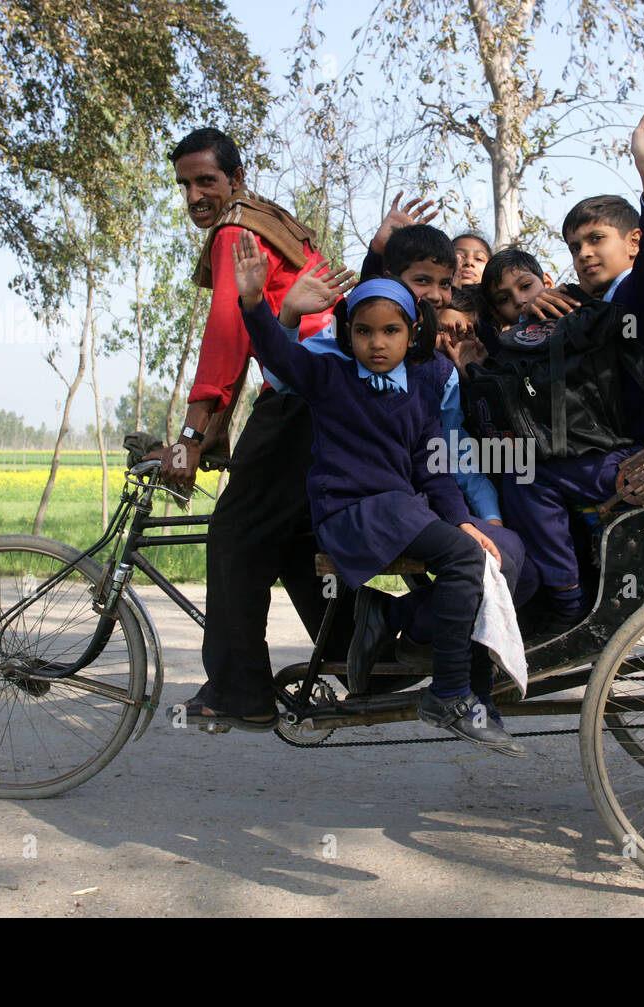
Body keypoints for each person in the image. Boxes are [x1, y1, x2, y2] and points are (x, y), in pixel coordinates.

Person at [233, 240, 527, 756]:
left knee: (490, 554)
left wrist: (464, 521)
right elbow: (278, 356)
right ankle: (449, 694)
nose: (376, 343)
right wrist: (258, 305)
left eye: (390, 330)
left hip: (400, 510)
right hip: (350, 514)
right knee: (462, 555)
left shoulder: (422, 388)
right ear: (348, 332)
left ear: (413, 332)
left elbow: (434, 471)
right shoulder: (328, 376)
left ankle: (476, 695)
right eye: (363, 331)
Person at [156, 127, 347, 732]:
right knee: (287, 535)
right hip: (325, 392)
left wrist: (192, 434)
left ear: (235, 181)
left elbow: (229, 334)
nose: (194, 195)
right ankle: (353, 652)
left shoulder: (236, 230)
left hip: (300, 397)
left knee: (235, 535)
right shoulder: (267, 219)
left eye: (205, 181)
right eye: (184, 185)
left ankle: (240, 693)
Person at [497, 87, 644, 631]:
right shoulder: (583, 309)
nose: (585, 254)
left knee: (529, 478)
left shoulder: (642, 292)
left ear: (632, 243)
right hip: (620, 447)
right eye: (574, 246)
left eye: (596, 239)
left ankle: (567, 604)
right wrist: (530, 319)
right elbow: (539, 385)